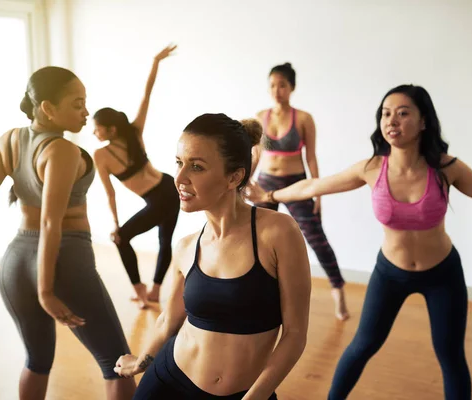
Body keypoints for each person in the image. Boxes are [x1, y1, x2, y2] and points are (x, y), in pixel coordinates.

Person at [245, 83, 472, 399]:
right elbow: (313, 186)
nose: (391, 120)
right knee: (362, 346)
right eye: (386, 113)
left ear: (424, 121)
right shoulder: (372, 168)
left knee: (450, 356)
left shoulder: (447, 168)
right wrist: (270, 195)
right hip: (390, 273)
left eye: (403, 113)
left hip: (442, 274)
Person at [0, 66, 136, 399]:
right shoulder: (62, 150)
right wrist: (46, 291)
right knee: (117, 362)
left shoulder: (9, 139)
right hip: (63, 262)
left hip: (15, 262)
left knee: (37, 362)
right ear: (48, 108)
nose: (86, 112)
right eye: (77, 103)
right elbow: (50, 223)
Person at [113, 113, 311, 399]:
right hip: (168, 380)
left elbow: (294, 335)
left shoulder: (277, 233)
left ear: (234, 177)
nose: (179, 178)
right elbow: (168, 320)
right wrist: (142, 361)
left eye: (196, 167)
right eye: (179, 163)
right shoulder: (185, 247)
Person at [251, 62, 348, 320]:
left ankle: (338, 288)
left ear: (291, 87)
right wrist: (244, 183)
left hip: (296, 182)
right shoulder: (261, 116)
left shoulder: (303, 119)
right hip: (265, 183)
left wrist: (318, 193)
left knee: (315, 237)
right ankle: (258, 293)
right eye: (272, 84)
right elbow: (255, 154)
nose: (276, 90)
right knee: (257, 237)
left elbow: (312, 157)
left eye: (282, 85)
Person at [93, 44, 180, 309]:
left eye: (96, 129)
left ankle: (141, 291)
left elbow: (147, 94)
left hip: (160, 196)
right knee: (164, 241)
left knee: (123, 239)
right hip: (169, 187)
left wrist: (117, 226)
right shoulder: (132, 134)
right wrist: (154, 60)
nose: (94, 134)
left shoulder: (105, 152)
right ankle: (152, 291)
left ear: (109, 129)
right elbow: (109, 193)